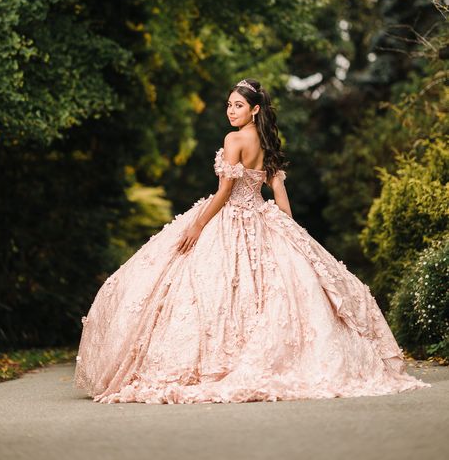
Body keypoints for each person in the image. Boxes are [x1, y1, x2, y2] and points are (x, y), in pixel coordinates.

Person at [73, 78, 430, 404]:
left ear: (255, 109)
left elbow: (225, 190)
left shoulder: (233, 140)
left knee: (212, 291)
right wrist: (291, 230)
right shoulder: (268, 142)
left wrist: (197, 225)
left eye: (238, 105)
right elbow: (277, 188)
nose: (231, 111)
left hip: (229, 217)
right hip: (261, 217)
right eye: (229, 105)